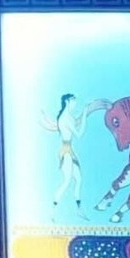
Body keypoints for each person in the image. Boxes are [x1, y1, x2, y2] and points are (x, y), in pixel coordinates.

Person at [51, 93, 90, 221]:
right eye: (73, 101)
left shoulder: (69, 117)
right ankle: (53, 211)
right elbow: (79, 134)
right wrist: (85, 113)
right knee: (67, 181)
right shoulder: (65, 118)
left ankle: (79, 209)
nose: (75, 104)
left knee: (78, 179)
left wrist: (84, 113)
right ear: (67, 101)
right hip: (66, 152)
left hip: (70, 150)